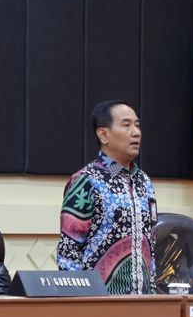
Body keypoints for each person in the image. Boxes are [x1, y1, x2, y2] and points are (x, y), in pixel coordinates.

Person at [57, 100, 157, 294]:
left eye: (137, 125)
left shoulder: (144, 182)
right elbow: (69, 253)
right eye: (126, 125)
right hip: (98, 305)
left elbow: (151, 247)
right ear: (103, 134)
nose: (136, 132)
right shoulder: (86, 181)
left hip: (143, 306)